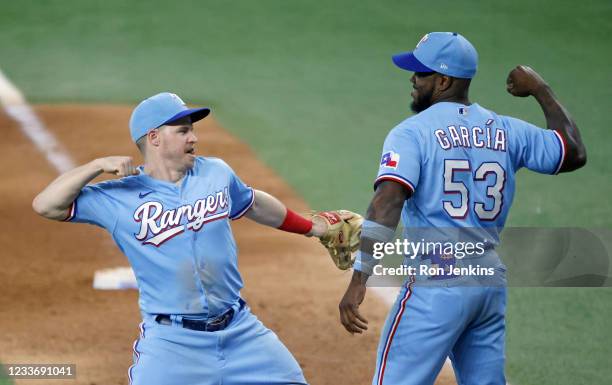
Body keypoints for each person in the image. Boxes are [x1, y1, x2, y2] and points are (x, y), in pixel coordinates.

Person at [32, 92, 350, 385]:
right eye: (183, 130)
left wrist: (312, 227)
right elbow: (47, 205)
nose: (194, 137)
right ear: (154, 138)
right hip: (172, 344)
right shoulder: (118, 197)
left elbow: (252, 203)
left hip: (241, 332)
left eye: (191, 129)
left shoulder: (216, 173)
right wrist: (96, 165)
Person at [338, 32, 586, 385]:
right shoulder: (506, 129)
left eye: (420, 73)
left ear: (443, 80)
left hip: (437, 282)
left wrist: (359, 278)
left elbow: (387, 203)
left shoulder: (411, 133)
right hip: (487, 283)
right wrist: (540, 89)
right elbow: (573, 152)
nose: (412, 78)